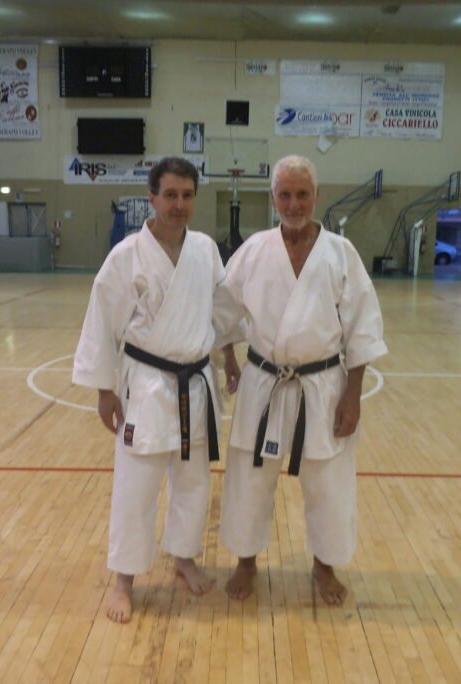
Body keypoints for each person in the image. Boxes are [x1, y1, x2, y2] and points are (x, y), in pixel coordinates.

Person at [214, 154, 387, 605]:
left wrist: (353, 394)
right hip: (263, 380)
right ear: (273, 198)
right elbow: (223, 310)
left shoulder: (340, 254)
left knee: (328, 481)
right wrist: (229, 357)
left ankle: (324, 566)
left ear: (317, 196)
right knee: (250, 477)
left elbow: (362, 327)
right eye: (285, 195)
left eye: (302, 195)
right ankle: (246, 561)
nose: (294, 204)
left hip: (322, 384)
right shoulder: (254, 250)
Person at [72, 156, 226, 623]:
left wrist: (232, 359)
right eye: (170, 195)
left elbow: (222, 310)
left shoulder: (205, 250)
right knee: (136, 486)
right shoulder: (127, 256)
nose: (179, 204)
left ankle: (184, 557)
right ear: (152, 198)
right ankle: (124, 579)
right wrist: (104, 390)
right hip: (147, 385)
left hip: (196, 384)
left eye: (187, 195)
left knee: (193, 481)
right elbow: (102, 322)